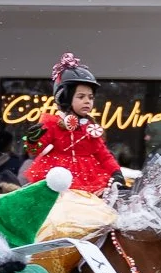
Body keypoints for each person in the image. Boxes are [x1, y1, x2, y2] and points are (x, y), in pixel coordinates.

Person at [22, 55, 119, 197]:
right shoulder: (52, 123)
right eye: (81, 97)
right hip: (57, 177)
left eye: (90, 97)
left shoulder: (90, 127)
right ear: (64, 98)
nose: (87, 101)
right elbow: (34, 150)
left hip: (88, 178)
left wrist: (116, 172)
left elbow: (103, 155)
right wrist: (31, 141)